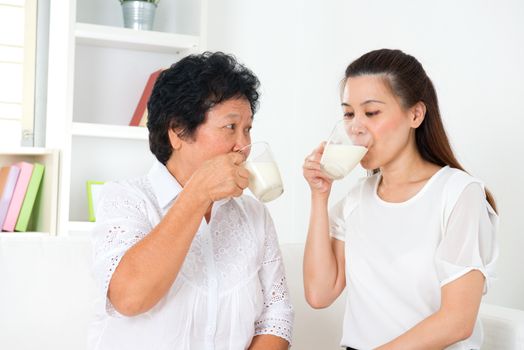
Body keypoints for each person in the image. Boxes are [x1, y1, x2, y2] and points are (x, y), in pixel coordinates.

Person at [89, 52, 293, 350]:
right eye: (230, 127)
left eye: (248, 129)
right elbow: (130, 298)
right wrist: (198, 194)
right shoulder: (124, 199)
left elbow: (277, 317)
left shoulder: (254, 214)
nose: (243, 145)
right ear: (177, 132)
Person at [302, 49, 498, 350]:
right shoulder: (355, 202)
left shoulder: (458, 194)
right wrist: (319, 195)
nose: (355, 127)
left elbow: (458, 321)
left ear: (415, 114)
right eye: (349, 113)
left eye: (371, 113)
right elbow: (319, 294)